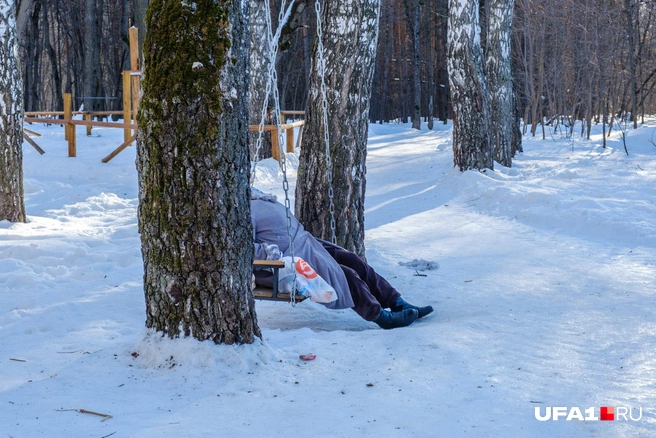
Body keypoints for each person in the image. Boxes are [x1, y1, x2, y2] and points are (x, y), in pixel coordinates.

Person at [251, 188, 433, 329]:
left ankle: (397, 302)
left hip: (308, 244)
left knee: (352, 260)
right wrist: (270, 253)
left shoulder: (257, 197)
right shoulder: (241, 210)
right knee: (345, 275)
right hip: (289, 261)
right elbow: (243, 248)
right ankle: (381, 317)